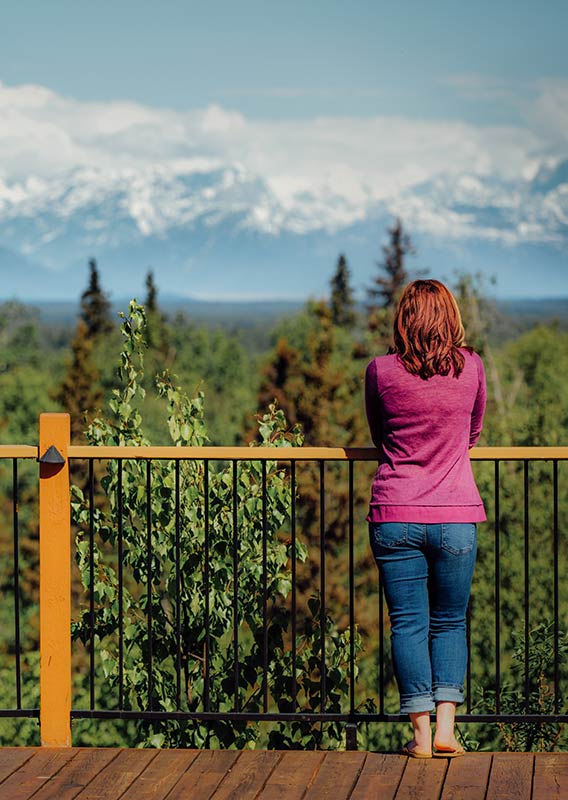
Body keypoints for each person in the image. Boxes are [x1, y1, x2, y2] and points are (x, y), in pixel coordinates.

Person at [365, 279, 486, 759]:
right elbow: (473, 432)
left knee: (408, 624)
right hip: (456, 515)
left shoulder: (380, 371)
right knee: (450, 622)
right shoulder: (472, 367)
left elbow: (379, 434)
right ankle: (446, 731)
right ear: (450, 318)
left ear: (404, 320)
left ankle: (418, 736)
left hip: (394, 512)